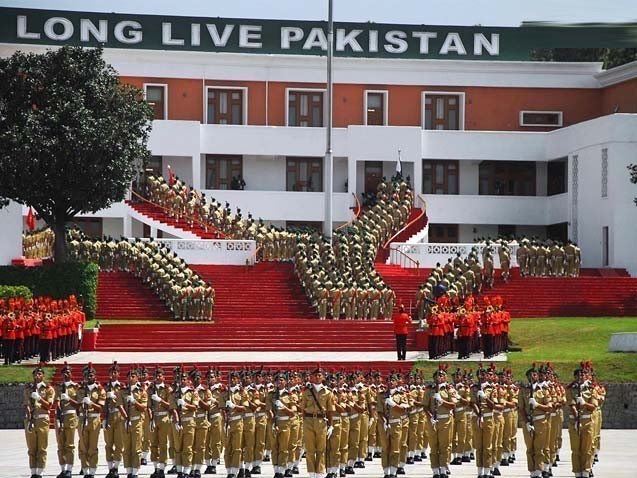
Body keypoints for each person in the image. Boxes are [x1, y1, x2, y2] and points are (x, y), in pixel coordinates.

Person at [25, 362, 55, 478]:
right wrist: (29, 418)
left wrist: (39, 399)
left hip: (42, 420)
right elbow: (26, 404)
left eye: (39, 374)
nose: (37, 376)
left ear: (43, 376)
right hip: (31, 420)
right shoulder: (29, 388)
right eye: (35, 374)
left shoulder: (48, 389)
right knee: (31, 448)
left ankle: (40, 471)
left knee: (42, 447)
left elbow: (49, 406)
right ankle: (33, 471)